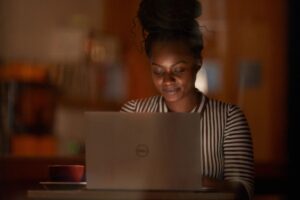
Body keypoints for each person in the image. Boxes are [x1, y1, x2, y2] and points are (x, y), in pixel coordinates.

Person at [120, 0, 254, 199]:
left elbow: (243, 193)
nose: (167, 80)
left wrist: (191, 180)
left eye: (178, 70)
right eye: (157, 71)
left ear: (198, 62)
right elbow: (116, 181)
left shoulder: (228, 119)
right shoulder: (133, 113)